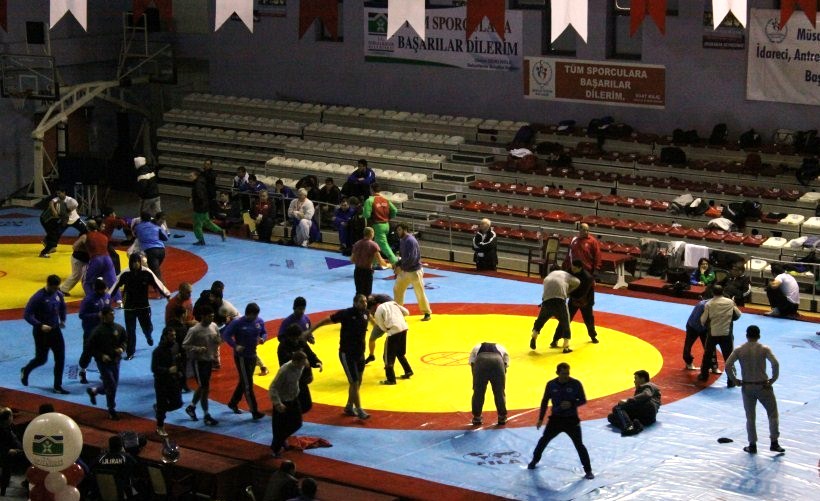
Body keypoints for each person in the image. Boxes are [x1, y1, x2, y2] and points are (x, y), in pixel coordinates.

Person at [307, 295, 371, 420]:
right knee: (354, 382)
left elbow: (372, 320)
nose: (364, 303)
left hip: (360, 353)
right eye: (361, 302)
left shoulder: (366, 314)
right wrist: (310, 331)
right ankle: (359, 409)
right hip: (347, 353)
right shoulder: (346, 313)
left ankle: (349, 406)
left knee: (358, 381)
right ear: (355, 302)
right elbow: (326, 320)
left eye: (365, 301)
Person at [528, 362, 594, 480]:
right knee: (544, 440)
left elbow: (583, 400)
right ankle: (534, 460)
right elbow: (544, 401)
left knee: (579, 445)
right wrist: (540, 418)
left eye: (567, 373)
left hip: (571, 419)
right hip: (556, 419)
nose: (566, 376)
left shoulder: (575, 384)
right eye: (563, 374)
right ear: (557, 373)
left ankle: (588, 470)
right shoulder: (551, 384)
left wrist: (572, 404)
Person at [725, 325, 784, 454]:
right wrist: (773, 379)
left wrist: (735, 380)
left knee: (750, 417)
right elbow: (775, 363)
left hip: (747, 386)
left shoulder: (740, 350)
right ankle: (774, 442)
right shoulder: (764, 349)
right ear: (759, 336)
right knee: (772, 414)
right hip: (763, 386)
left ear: (747, 335)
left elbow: (728, 365)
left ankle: (752, 445)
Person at [109, 253, 171, 359]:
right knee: (130, 330)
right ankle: (130, 352)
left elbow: (157, 283)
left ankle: (148, 335)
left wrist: (167, 294)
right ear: (130, 263)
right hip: (129, 306)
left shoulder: (147, 272)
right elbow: (115, 285)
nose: (136, 264)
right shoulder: (125, 273)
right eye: (134, 262)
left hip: (143, 306)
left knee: (147, 327)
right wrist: (107, 298)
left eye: (138, 262)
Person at [21, 274, 69, 394]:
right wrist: (40, 325)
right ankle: (26, 370)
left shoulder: (58, 294)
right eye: (54, 287)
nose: (56, 290)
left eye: (57, 287)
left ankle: (57, 386)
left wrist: (63, 319)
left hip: (55, 330)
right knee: (41, 359)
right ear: (48, 285)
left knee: (60, 358)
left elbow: (62, 307)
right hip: (41, 332)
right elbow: (27, 315)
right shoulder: (38, 297)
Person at [222, 303, 267, 420]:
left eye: (256, 315)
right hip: (242, 357)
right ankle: (254, 411)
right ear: (248, 314)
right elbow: (226, 335)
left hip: (253, 355)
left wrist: (263, 339)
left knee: (245, 381)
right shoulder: (237, 323)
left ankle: (233, 402)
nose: (255, 318)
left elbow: (264, 332)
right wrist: (235, 346)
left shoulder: (259, 321)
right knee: (248, 384)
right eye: (254, 315)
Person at [85, 306, 128, 420]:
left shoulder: (119, 328)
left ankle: (94, 391)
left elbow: (125, 340)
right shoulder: (97, 331)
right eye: (110, 314)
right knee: (112, 385)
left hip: (116, 360)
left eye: (113, 313)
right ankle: (111, 409)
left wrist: (122, 348)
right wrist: (101, 355)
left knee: (112, 385)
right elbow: (89, 347)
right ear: (104, 316)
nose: (113, 316)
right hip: (103, 363)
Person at [182, 305, 221, 426]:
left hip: (209, 360)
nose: (211, 318)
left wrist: (217, 343)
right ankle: (206, 415)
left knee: (203, 386)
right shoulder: (194, 330)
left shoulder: (214, 326)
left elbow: (218, 340)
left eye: (212, 316)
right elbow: (185, 345)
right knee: (205, 387)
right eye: (209, 316)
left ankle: (192, 407)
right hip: (199, 362)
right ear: (202, 316)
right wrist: (197, 349)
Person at [697, 285, 741, 386]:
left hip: (713, 333)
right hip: (726, 333)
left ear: (712, 293)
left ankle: (704, 375)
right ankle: (731, 380)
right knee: (729, 357)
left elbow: (703, 320)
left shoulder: (709, 304)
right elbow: (738, 314)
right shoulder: (730, 302)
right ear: (723, 292)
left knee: (707, 355)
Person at [269, 351, 309, 457]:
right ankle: (275, 448)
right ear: (295, 362)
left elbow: (306, 364)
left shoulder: (301, 365)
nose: (304, 364)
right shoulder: (284, 371)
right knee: (279, 427)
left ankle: (280, 441)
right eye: (302, 363)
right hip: (282, 401)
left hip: (293, 398)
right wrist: (277, 404)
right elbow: (273, 387)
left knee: (297, 423)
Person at [530, 269, 579, 353]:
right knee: (565, 323)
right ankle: (566, 346)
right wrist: (568, 292)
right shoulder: (567, 275)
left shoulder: (547, 277)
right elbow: (578, 282)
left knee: (540, 320)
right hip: (560, 301)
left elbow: (546, 292)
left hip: (546, 301)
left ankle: (534, 336)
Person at [551, 259, 598, 347]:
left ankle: (593, 336)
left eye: (574, 268)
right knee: (565, 319)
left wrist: (567, 294)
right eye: (572, 267)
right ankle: (555, 339)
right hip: (573, 299)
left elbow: (583, 293)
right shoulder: (570, 271)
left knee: (589, 320)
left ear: (580, 268)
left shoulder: (587, 278)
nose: (572, 269)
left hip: (586, 300)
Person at [278, 324, 322, 414]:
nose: (296, 340)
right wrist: (302, 360)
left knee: (306, 405)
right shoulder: (283, 346)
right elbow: (285, 362)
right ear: (289, 337)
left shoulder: (301, 342)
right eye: (294, 338)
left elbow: (310, 354)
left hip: (301, 377)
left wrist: (317, 362)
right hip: (289, 378)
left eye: (297, 338)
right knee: (294, 404)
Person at [369, 296, 413, 385]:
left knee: (387, 356)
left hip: (393, 331)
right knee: (400, 353)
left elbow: (381, 326)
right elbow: (406, 312)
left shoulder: (378, 312)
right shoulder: (392, 303)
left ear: (372, 307)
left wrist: (389, 329)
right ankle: (408, 371)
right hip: (404, 328)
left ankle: (391, 379)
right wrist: (398, 318)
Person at [393, 222, 432, 321]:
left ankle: (427, 312)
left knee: (419, 292)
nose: (398, 232)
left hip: (414, 271)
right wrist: (397, 264)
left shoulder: (410, 240)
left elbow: (412, 258)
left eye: (399, 230)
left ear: (405, 229)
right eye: (397, 230)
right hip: (405, 271)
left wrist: (401, 267)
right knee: (397, 289)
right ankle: (399, 311)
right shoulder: (402, 240)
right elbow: (404, 257)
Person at [77, 278, 112, 384]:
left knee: (103, 352)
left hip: (103, 330)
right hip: (90, 330)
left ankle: (104, 373)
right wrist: (96, 315)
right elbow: (81, 315)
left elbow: (108, 309)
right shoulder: (88, 299)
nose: (104, 291)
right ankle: (82, 370)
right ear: (96, 289)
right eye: (102, 290)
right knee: (88, 352)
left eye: (105, 289)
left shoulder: (107, 296)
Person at [607, 370, 662, 436]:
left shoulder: (648, 385)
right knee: (611, 417)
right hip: (647, 419)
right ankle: (636, 426)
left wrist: (628, 400)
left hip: (647, 408)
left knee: (618, 408)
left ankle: (629, 428)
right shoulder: (643, 389)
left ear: (642, 379)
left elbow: (646, 394)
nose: (634, 381)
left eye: (636, 378)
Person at [152, 326, 184, 437]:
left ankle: (159, 410)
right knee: (162, 404)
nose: (173, 337)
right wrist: (168, 370)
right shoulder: (158, 351)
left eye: (174, 335)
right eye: (171, 335)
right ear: (165, 337)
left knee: (178, 403)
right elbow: (154, 368)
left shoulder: (176, 346)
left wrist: (180, 372)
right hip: (161, 381)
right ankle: (160, 427)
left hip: (173, 379)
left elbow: (178, 360)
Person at [38, 188, 86, 258]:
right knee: (56, 235)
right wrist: (54, 211)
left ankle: (84, 245)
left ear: (64, 192)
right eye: (57, 193)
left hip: (75, 220)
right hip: (64, 222)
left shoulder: (69, 200)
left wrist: (69, 210)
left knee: (87, 230)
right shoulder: (57, 199)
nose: (58, 195)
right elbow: (51, 202)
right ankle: (48, 244)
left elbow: (76, 204)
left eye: (59, 193)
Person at [469, 342, 509, 426]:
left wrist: (476, 382)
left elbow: (473, 365)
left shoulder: (476, 347)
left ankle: (477, 418)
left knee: (478, 392)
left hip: (481, 362)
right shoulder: (502, 348)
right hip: (497, 362)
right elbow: (505, 367)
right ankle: (502, 417)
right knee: (499, 392)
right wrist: (500, 384)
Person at [92, 435, 137, 499]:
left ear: (109, 446)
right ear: (121, 447)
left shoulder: (100, 458)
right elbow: (137, 468)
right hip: (122, 493)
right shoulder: (126, 457)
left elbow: (91, 469)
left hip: (101, 492)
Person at [363, 183, 398, 264]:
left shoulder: (369, 200)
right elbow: (395, 210)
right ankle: (374, 263)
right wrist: (389, 217)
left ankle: (395, 262)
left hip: (377, 225)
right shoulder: (386, 200)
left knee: (383, 245)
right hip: (386, 225)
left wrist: (363, 214)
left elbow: (366, 215)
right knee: (375, 244)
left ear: (371, 190)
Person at [190, 168, 227, 246]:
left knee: (197, 225)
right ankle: (220, 231)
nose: (189, 177)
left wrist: (194, 200)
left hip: (199, 208)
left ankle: (201, 240)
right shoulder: (202, 182)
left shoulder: (197, 184)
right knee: (207, 223)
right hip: (205, 207)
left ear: (196, 176)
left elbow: (200, 196)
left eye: (191, 175)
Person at [350, 227, 391, 296]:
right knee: (367, 293)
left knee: (359, 292)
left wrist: (360, 262)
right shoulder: (373, 245)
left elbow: (352, 259)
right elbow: (380, 261)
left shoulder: (357, 244)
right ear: (372, 234)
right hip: (367, 272)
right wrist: (389, 265)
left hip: (357, 271)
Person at [134, 212, 169, 282]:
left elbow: (135, 235)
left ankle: (162, 288)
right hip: (161, 250)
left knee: (156, 273)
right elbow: (166, 238)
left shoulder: (137, 226)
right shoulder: (156, 226)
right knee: (154, 270)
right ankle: (149, 281)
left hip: (150, 251)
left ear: (141, 219)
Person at [683, 299, 715, 371]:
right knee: (688, 346)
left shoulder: (713, 305)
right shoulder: (701, 306)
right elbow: (697, 321)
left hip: (703, 327)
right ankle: (688, 361)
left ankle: (712, 365)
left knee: (708, 346)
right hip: (693, 327)